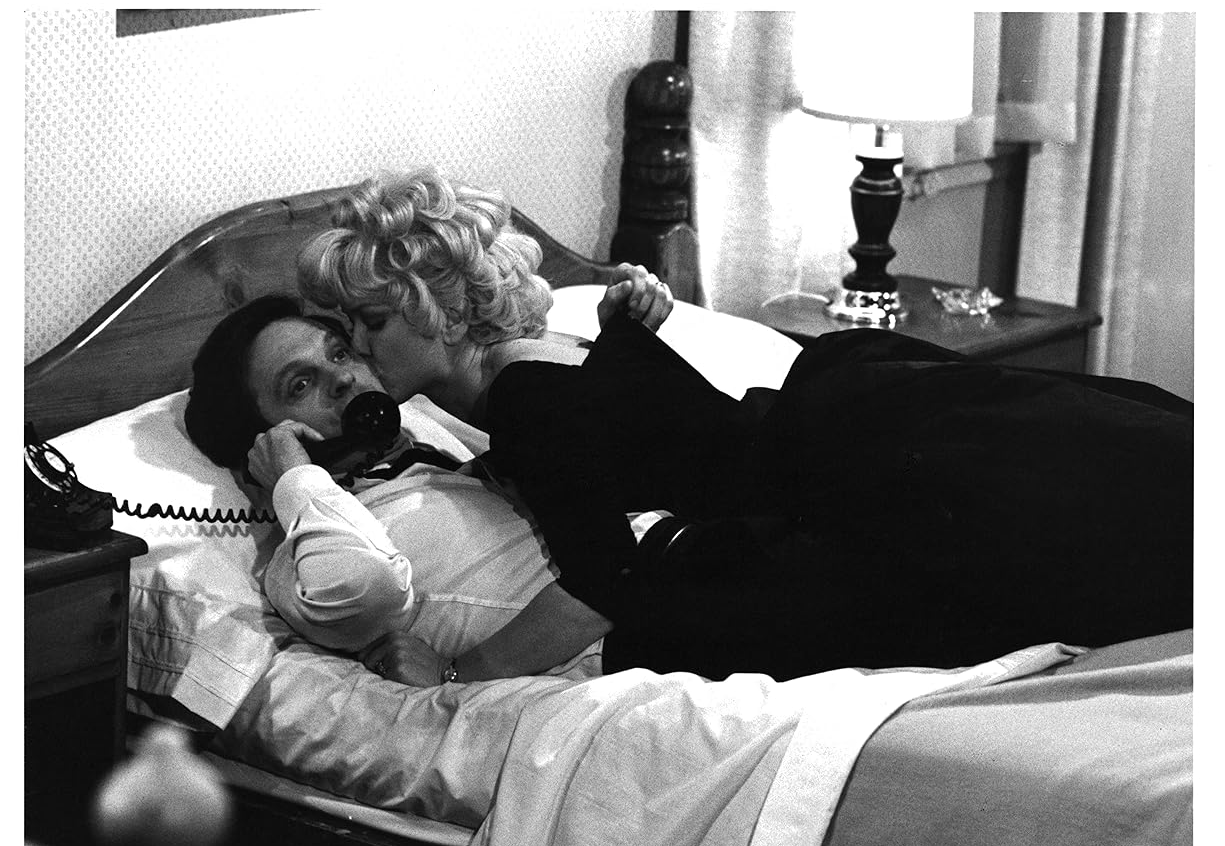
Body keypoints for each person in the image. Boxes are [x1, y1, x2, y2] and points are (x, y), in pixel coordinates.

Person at [294, 168, 1195, 685]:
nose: (357, 352)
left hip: (870, 465)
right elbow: (630, 434)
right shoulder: (551, 359)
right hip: (859, 416)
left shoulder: (525, 400)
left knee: (1142, 517)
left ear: (444, 312)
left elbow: (602, 581)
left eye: (369, 323)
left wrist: (462, 674)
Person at [184, 294, 618, 687]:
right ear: (265, 443)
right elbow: (365, 587)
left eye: (340, 353)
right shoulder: (302, 561)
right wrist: (293, 479)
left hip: (643, 584)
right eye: (300, 384)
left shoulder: (444, 446)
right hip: (614, 649)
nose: (342, 377)